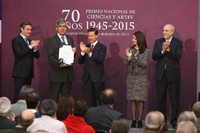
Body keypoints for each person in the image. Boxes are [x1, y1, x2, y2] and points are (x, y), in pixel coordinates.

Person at [152, 24, 183, 129]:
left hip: (173, 75)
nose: (164, 32)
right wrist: (162, 51)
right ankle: (162, 121)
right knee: (161, 99)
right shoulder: (158, 41)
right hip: (160, 75)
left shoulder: (178, 42)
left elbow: (178, 56)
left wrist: (168, 49)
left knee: (174, 99)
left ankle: (174, 121)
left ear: (172, 32)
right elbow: (154, 56)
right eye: (163, 30)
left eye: (166, 30)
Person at [124, 31, 150, 128]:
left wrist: (137, 57)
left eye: (134, 38)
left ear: (139, 39)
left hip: (142, 78)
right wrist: (129, 58)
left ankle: (140, 120)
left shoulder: (146, 51)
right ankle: (133, 120)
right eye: (133, 38)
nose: (133, 40)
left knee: (141, 99)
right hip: (132, 77)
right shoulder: (130, 49)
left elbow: (143, 64)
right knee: (133, 99)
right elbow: (126, 63)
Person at [47, 18, 77, 102]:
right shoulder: (51, 41)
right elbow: (50, 57)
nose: (62, 28)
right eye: (60, 26)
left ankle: (66, 115)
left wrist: (74, 52)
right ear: (56, 28)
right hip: (56, 74)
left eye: (64, 26)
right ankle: (53, 115)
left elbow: (71, 55)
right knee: (53, 99)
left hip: (68, 75)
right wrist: (59, 64)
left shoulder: (70, 39)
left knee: (67, 101)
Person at [12, 21, 40, 103]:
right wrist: (31, 46)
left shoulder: (29, 41)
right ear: (22, 29)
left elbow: (37, 56)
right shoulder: (16, 40)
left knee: (27, 96)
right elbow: (19, 54)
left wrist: (35, 48)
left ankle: (26, 113)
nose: (29, 31)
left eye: (30, 30)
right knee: (18, 94)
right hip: (20, 73)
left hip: (29, 73)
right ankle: (16, 114)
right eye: (27, 29)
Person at [78, 28, 107, 107]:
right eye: (89, 36)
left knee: (100, 100)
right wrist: (83, 52)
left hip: (98, 78)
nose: (90, 37)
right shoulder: (86, 46)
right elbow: (80, 61)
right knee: (90, 100)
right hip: (88, 78)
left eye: (92, 36)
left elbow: (100, 59)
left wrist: (89, 53)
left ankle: (101, 118)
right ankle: (92, 117)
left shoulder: (102, 47)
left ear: (97, 36)